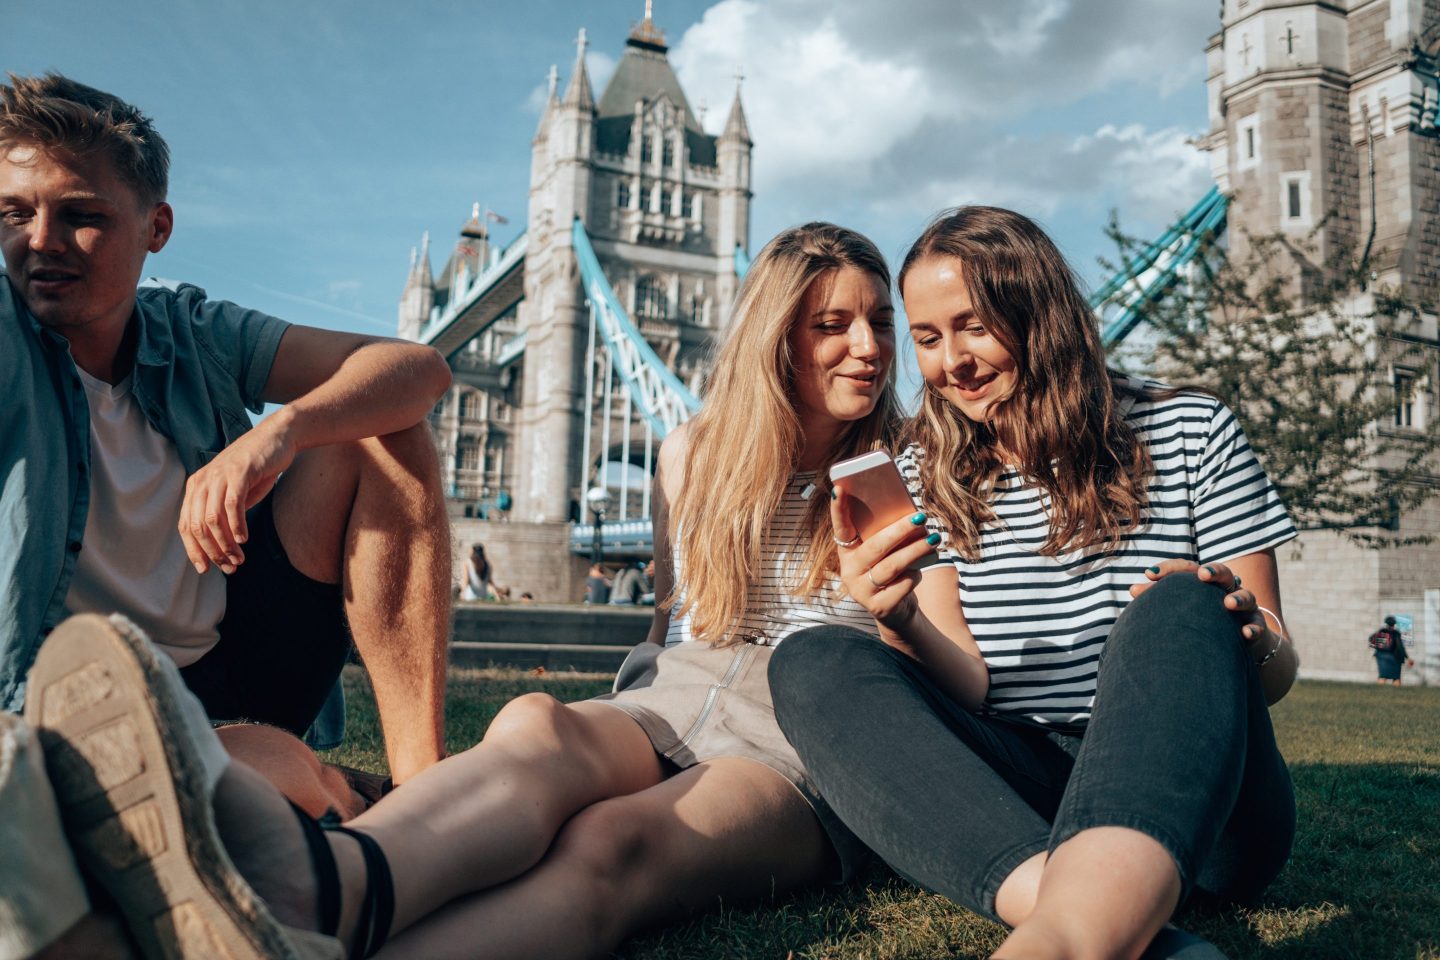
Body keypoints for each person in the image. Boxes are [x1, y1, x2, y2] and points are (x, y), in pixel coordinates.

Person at [17, 221, 986, 960]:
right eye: (833, 324)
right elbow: (666, 628)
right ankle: (317, 886)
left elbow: (964, 684)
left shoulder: (913, 461)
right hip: (681, 688)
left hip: (815, 736)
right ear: (777, 335)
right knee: (535, 722)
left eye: (877, 323)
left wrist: (894, 609)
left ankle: (306, 922)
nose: (868, 345)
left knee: (615, 846)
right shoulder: (693, 456)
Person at [770, 206, 1302, 960]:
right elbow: (973, 689)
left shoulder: (1192, 430)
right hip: (1030, 796)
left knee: (1183, 600)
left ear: (1040, 313)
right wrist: (899, 619)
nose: (951, 361)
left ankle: (1061, 940)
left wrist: (1243, 633)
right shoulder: (925, 473)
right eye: (926, 339)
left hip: (1206, 800)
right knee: (813, 658)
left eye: (974, 326)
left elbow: (1278, 671)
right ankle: (1094, 914)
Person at [0, 76, 453, 810]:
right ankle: (329, 794)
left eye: (82, 216)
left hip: (239, 662)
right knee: (269, 778)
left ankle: (422, 784)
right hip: (83, 703)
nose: (39, 242)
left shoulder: (192, 333)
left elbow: (418, 368)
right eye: (14, 213)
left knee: (379, 429)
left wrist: (279, 432)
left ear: (157, 229)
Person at [1370, 615, 1414, 686]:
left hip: (1380, 657)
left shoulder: (1381, 631)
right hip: (1393, 658)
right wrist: (1407, 658)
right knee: (1396, 677)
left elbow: (1371, 640)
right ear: (1394, 624)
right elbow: (1400, 647)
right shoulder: (1395, 633)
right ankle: (1396, 693)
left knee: (1382, 675)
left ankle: (1379, 692)